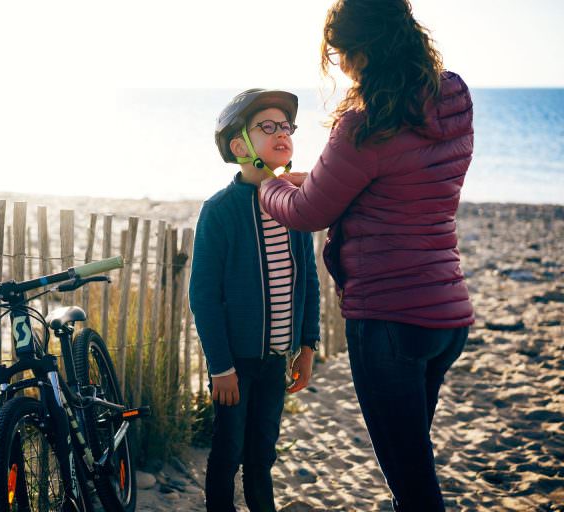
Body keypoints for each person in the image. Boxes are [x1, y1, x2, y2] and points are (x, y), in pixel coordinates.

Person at [258, 1, 473, 510]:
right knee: (414, 462)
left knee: (414, 486)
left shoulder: (364, 123)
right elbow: (402, 177)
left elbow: (309, 213)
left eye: (340, 54)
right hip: (446, 317)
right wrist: (317, 177)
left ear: (361, 51)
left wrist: (269, 187)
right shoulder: (454, 94)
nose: (341, 65)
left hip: (389, 321)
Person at [189, 89, 321, 512]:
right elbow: (203, 297)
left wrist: (307, 346)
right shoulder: (221, 210)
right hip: (236, 364)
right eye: (268, 126)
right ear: (239, 146)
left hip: (277, 359)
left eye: (286, 126)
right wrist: (220, 368)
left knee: (263, 453)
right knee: (228, 451)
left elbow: (310, 281)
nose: (282, 133)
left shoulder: (296, 205)